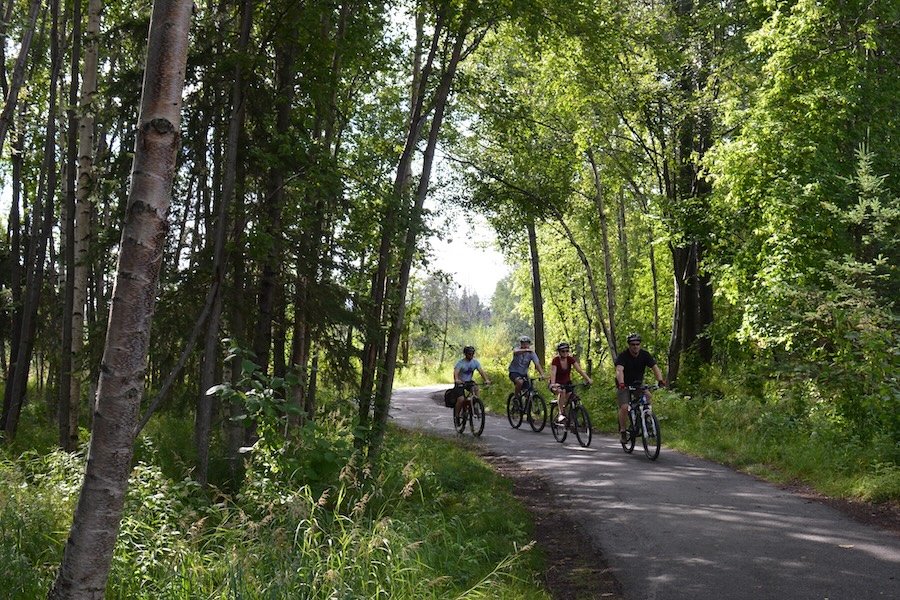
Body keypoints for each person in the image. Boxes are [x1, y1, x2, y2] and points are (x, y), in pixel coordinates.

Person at [615, 333, 666, 442]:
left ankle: (647, 420)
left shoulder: (645, 355)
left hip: (638, 384)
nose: (635, 346)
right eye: (633, 344)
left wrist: (660, 380)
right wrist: (622, 383)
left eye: (637, 344)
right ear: (629, 345)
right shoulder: (623, 356)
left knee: (648, 396)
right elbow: (619, 370)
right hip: (624, 385)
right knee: (624, 407)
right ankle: (623, 431)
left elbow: (655, 367)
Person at [549, 342, 593, 422]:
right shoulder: (555, 360)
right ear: (559, 352)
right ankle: (560, 414)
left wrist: (588, 379)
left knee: (573, 397)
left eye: (567, 351)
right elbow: (553, 373)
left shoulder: (570, 359)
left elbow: (579, 370)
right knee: (562, 392)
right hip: (556, 383)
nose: (565, 353)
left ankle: (572, 418)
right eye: (563, 351)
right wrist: (553, 384)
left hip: (567, 382)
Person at [453, 345, 491, 423]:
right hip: (460, 382)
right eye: (469, 354)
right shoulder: (461, 363)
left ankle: (475, 405)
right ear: (465, 354)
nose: (471, 355)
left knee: (476, 388)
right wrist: (457, 379)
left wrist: (486, 380)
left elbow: (481, 371)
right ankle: (456, 416)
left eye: (472, 354)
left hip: (469, 381)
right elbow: (456, 372)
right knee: (461, 399)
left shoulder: (475, 362)